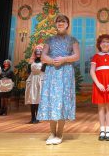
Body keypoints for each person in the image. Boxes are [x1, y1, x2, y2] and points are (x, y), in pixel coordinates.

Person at [37, 14, 80, 145]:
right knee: (52, 99)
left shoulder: (72, 40)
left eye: (63, 21)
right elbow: (43, 56)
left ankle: (60, 133)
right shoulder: (49, 40)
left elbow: (77, 56)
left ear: (67, 24)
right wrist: (53, 61)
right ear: (56, 24)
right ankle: (52, 132)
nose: (60, 23)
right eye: (58, 21)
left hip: (66, 71)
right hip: (52, 72)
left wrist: (63, 59)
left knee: (62, 99)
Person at [90, 34, 109, 141]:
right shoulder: (96, 56)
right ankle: (102, 129)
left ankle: (108, 130)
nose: (105, 44)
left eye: (108, 42)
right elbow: (92, 71)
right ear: (99, 44)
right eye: (103, 42)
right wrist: (98, 83)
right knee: (101, 107)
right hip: (100, 84)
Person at [25, 45, 45, 124]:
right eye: (37, 51)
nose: (38, 52)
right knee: (32, 99)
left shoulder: (44, 62)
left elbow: (44, 71)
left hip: (40, 80)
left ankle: (38, 117)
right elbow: (28, 72)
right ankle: (32, 117)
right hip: (32, 80)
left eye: (40, 51)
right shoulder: (31, 62)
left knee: (38, 99)